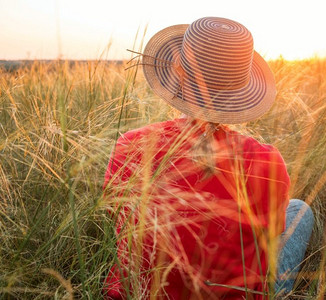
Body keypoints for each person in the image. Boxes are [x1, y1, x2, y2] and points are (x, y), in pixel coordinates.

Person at [103, 17, 314, 299]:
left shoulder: (129, 145)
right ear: (242, 89)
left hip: (138, 294)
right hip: (235, 294)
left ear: (176, 71)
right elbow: (271, 235)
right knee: (300, 210)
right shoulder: (265, 162)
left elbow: (116, 217)